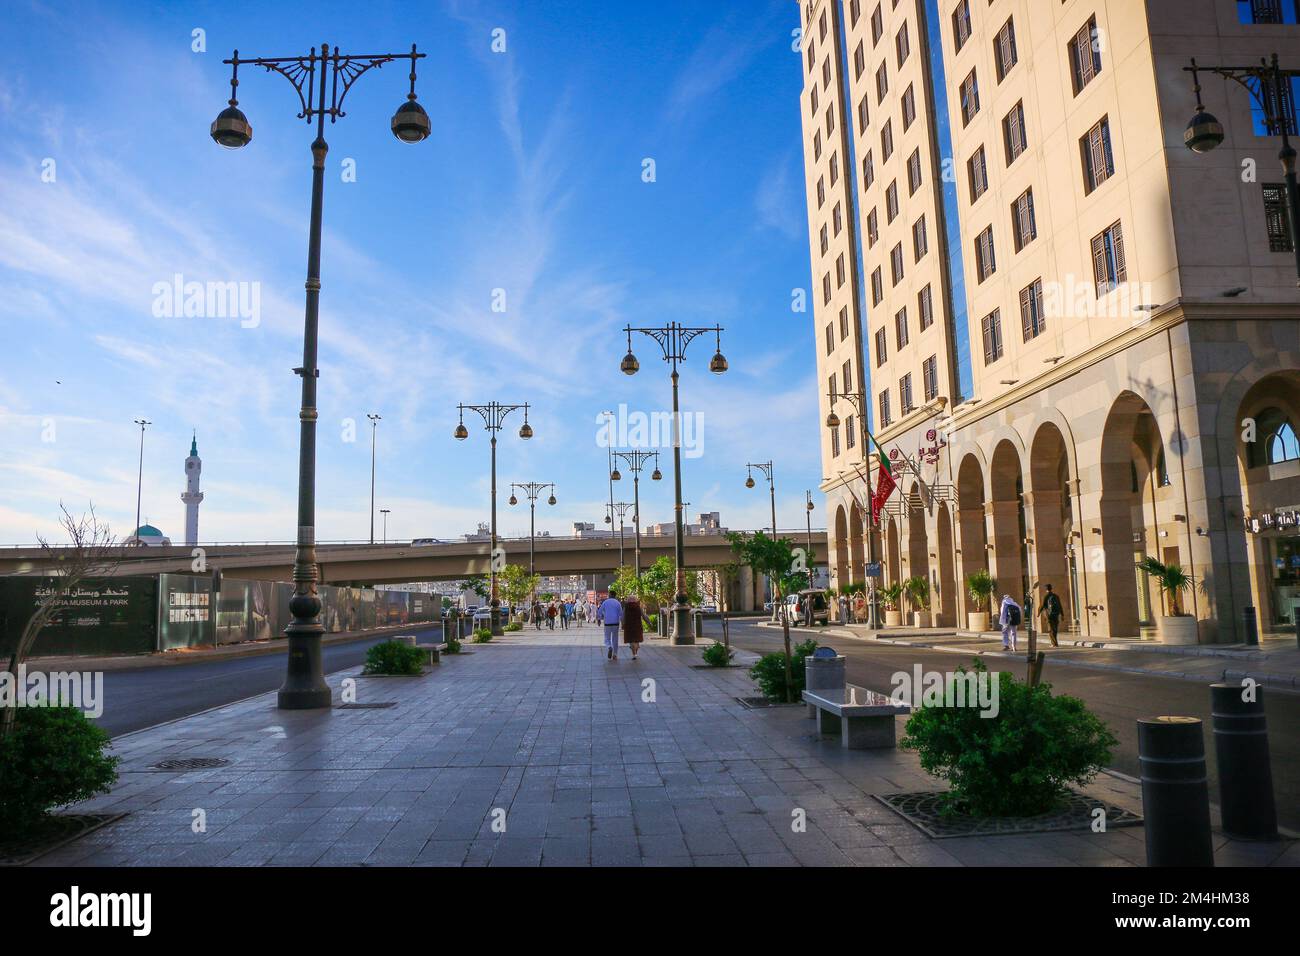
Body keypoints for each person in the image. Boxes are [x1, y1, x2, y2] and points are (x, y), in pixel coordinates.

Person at [622, 592, 647, 660]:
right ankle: (635, 651)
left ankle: (634, 654)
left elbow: (622, 617)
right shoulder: (638, 607)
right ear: (635, 600)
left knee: (631, 641)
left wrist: (623, 624)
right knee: (636, 640)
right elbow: (644, 616)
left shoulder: (626, 607)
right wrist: (648, 622)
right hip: (637, 626)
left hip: (629, 626)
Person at [600, 588, 623, 661]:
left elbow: (599, 611)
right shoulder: (618, 603)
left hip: (607, 623)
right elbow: (621, 614)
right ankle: (615, 654)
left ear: (609, 595)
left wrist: (599, 619)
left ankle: (609, 646)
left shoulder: (605, 602)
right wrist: (622, 622)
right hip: (616, 623)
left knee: (607, 638)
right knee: (615, 639)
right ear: (615, 596)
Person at [1041, 583, 1063, 648]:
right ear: (1051, 588)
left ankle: (1054, 644)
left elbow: (1042, 606)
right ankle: (1055, 643)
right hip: (1056, 615)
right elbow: (1060, 605)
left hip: (1049, 615)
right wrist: (1062, 614)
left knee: (1050, 629)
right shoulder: (1056, 596)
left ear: (1046, 589)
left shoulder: (1046, 596)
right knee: (1055, 629)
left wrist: (1038, 613)